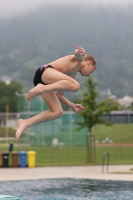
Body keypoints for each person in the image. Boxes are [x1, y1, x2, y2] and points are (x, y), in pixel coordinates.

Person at [15, 46, 97, 141]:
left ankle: (26, 123)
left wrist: (72, 105)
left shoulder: (72, 75)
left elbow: (59, 94)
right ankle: (42, 88)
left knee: (58, 112)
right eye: (92, 70)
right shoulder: (79, 60)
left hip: (43, 83)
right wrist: (80, 52)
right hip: (44, 72)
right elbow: (77, 55)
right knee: (76, 86)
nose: (89, 74)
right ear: (89, 62)